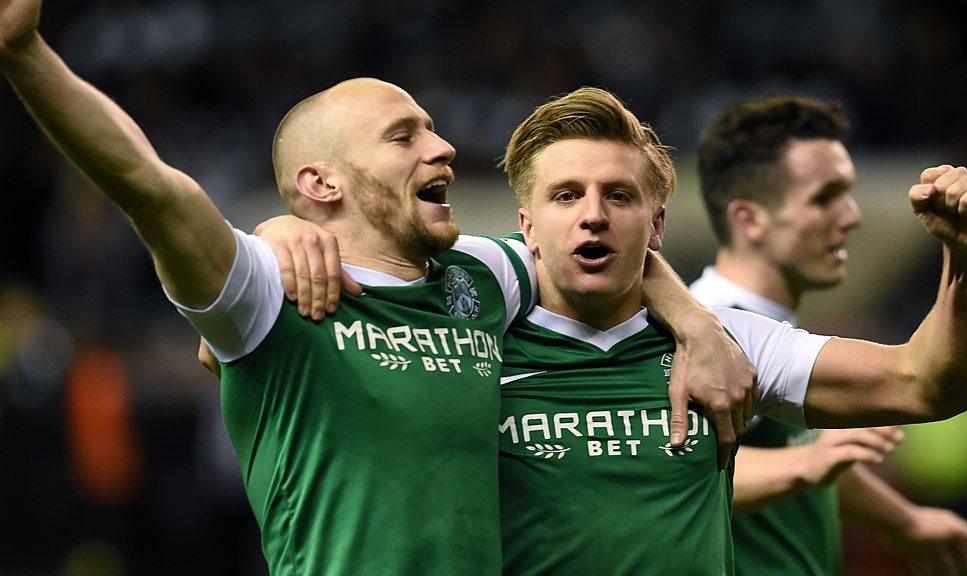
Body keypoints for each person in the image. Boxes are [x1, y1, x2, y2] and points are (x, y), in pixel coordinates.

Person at [0, 3, 755, 574]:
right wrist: (25, 52)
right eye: (406, 136)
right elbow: (151, 189)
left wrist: (695, 323)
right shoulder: (265, 291)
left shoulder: (484, 275)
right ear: (319, 181)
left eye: (431, 128)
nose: (443, 146)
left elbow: (602, 252)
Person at [492, 87, 967, 575]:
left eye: (619, 196)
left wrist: (966, 257)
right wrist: (810, 469)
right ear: (528, 226)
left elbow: (925, 385)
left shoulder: (726, 344)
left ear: (657, 225)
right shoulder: (482, 346)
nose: (594, 215)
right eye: (566, 196)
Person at [690, 95, 967, 575]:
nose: (851, 216)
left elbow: (796, 452)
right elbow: (670, 474)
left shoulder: (772, 338)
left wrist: (901, 519)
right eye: (824, 197)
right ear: (749, 220)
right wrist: (806, 465)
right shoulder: (704, 336)